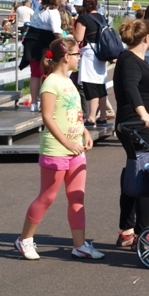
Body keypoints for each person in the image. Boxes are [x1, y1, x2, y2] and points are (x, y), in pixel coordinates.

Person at [15, 37, 104, 260]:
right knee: (47, 197)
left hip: (76, 151)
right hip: (56, 150)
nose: (79, 58)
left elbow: (75, 113)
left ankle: (79, 245)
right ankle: (24, 240)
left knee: (77, 198)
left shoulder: (70, 81)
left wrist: (84, 132)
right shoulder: (51, 83)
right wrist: (66, 142)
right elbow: (47, 117)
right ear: (66, 57)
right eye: (77, 54)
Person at [113, 18, 149, 248]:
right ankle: (141, 231)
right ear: (147, 38)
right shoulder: (129, 60)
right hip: (140, 127)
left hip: (147, 128)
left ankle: (128, 230)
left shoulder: (136, 59)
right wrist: (143, 113)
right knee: (147, 174)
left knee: (135, 173)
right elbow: (130, 87)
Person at [20, 0, 65, 110]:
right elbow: (56, 32)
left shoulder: (39, 7)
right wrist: (64, 44)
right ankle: (45, 103)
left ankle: (34, 103)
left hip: (31, 41)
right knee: (46, 73)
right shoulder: (53, 12)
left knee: (35, 73)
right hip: (44, 43)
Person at [73, 0, 110, 128]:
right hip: (101, 51)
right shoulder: (102, 17)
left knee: (90, 84)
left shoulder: (83, 18)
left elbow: (78, 38)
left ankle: (91, 117)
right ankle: (103, 117)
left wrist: (74, 29)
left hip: (90, 53)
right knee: (101, 84)